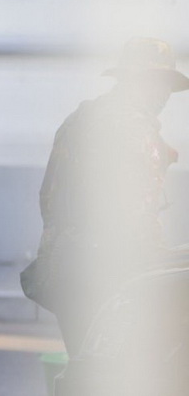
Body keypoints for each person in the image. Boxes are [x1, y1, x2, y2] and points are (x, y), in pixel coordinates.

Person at [27, 37, 188, 356]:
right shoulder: (137, 131)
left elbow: (48, 196)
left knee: (85, 367)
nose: (163, 95)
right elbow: (136, 218)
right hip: (114, 274)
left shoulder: (81, 118)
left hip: (63, 264)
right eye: (157, 83)